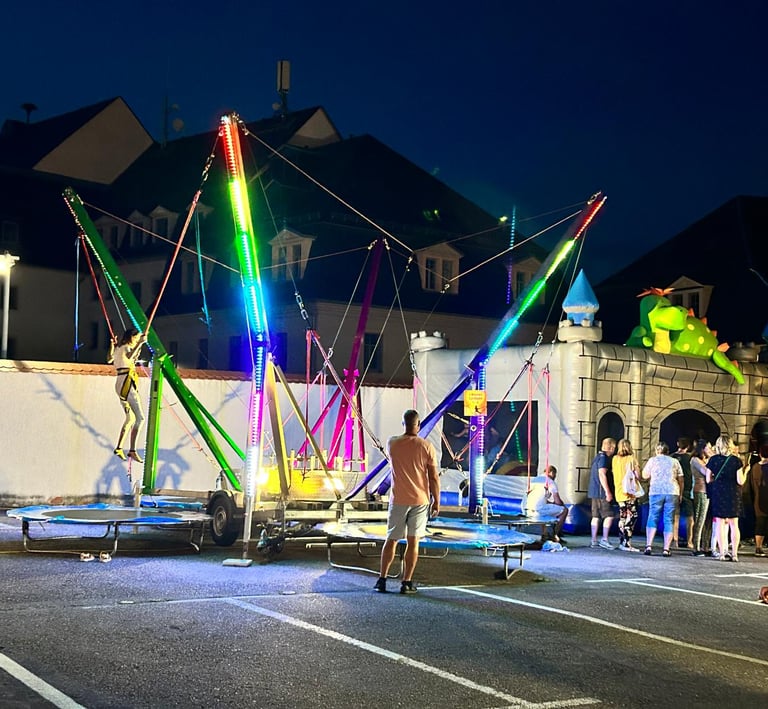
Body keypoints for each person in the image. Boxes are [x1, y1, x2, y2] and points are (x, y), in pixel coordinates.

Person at [375, 409, 440, 594]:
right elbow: (433, 477)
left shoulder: (392, 443)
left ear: (403, 424)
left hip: (398, 499)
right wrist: (437, 500)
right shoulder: (427, 446)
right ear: (418, 425)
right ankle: (406, 582)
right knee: (413, 542)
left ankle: (382, 579)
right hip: (420, 500)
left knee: (391, 540)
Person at [108, 327, 147, 463]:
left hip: (120, 383)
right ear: (132, 337)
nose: (137, 340)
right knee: (140, 418)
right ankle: (132, 450)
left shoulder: (118, 348)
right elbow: (130, 356)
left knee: (130, 418)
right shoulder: (126, 348)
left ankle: (119, 447)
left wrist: (111, 346)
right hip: (126, 383)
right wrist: (140, 343)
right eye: (136, 338)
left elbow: (109, 359)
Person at [707, 435, 748, 561]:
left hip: (719, 493)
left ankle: (722, 553)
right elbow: (740, 481)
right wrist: (746, 472)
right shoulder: (736, 461)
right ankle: (734, 554)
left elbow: (708, 479)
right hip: (733, 493)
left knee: (720, 524)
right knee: (734, 524)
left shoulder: (713, 460)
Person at [642, 441, 684, 556]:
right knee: (669, 519)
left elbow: (645, 475)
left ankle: (648, 546)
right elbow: (681, 479)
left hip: (656, 491)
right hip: (672, 492)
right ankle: (666, 549)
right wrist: (680, 494)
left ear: (656, 451)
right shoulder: (674, 461)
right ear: (667, 451)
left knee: (653, 516)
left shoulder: (652, 460)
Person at [611, 438, 642, 552]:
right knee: (632, 516)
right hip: (629, 492)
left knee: (623, 516)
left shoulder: (615, 459)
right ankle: (627, 542)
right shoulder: (632, 459)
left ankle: (622, 541)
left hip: (619, 491)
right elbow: (638, 475)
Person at [525, 465, 568, 542]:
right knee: (564, 510)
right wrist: (562, 504)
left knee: (545, 509)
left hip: (527, 509)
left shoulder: (535, 480)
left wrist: (551, 504)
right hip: (538, 510)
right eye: (555, 474)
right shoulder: (550, 482)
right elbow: (558, 502)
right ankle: (554, 535)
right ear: (551, 473)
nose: (555, 477)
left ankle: (544, 534)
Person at [588, 437, 617, 549]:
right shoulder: (604, 458)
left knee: (595, 516)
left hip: (594, 492)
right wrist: (608, 492)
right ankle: (604, 539)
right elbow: (602, 474)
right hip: (601, 492)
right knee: (609, 515)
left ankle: (593, 540)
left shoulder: (597, 457)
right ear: (611, 447)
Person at [671, 437, 694, 549]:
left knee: (675, 516)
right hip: (687, 490)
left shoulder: (671, 457)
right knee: (690, 517)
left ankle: (674, 541)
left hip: (674, 489)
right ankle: (690, 541)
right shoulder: (691, 458)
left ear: (677, 444)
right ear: (688, 446)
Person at [690, 439, 712, 556]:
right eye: (708, 448)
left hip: (709, 491)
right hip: (700, 491)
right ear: (702, 449)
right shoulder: (695, 460)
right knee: (700, 519)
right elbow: (705, 471)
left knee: (708, 520)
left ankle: (706, 546)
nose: (710, 450)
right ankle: (696, 546)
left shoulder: (706, 460)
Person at [750, 444, 768, 557]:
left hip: (758, 499)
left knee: (760, 523)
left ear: (760, 454)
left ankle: (758, 547)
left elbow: (752, 484)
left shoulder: (755, 467)